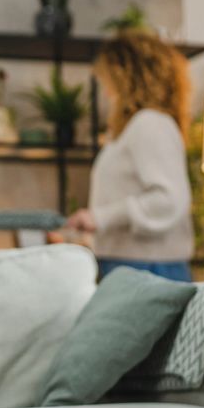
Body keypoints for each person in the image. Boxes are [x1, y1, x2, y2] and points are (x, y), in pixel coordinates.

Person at [64, 28, 194, 282]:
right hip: (129, 265)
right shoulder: (133, 128)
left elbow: (168, 200)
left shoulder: (150, 124)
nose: (105, 92)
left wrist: (100, 218)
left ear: (127, 76)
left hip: (149, 269)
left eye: (108, 80)